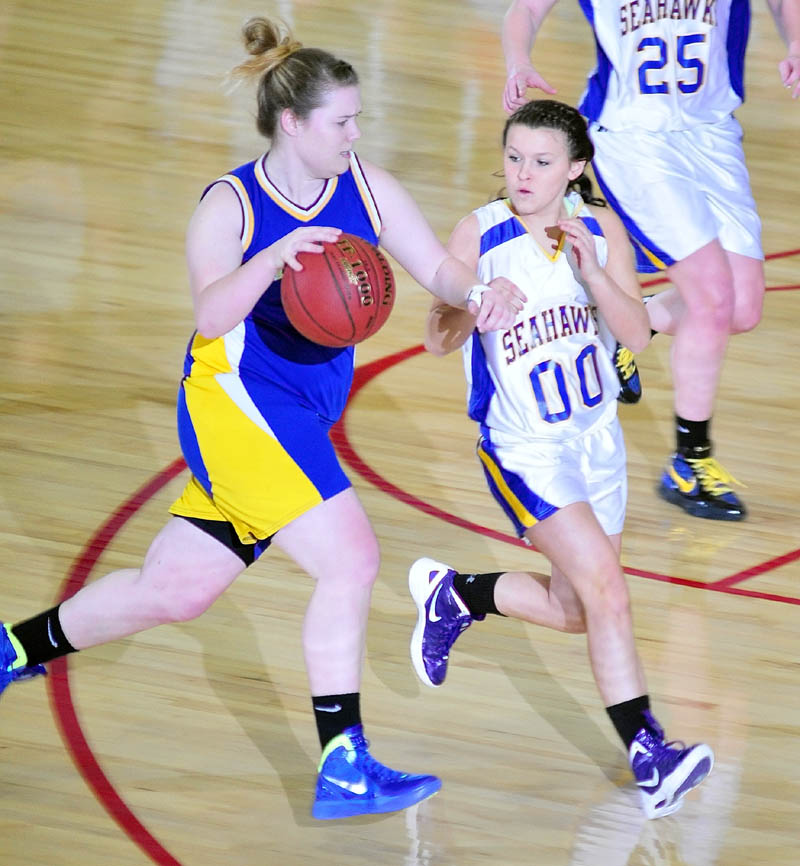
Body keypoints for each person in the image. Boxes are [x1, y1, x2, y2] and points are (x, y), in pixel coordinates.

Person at [0, 17, 525, 821]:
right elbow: (211, 315)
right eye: (341, 121)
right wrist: (273, 260)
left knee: (174, 589)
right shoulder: (230, 204)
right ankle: (343, 763)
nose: (356, 133)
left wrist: (480, 294)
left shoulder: (369, 186)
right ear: (292, 123)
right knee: (351, 559)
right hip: (237, 403)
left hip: (301, 411)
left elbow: (442, 272)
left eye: (357, 119)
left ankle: (13, 648)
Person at [410, 99, 714, 819]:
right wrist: (472, 302)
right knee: (609, 589)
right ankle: (650, 752)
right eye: (514, 157)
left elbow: (636, 333)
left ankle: (458, 596)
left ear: (576, 168)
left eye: (542, 163)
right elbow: (436, 337)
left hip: (596, 443)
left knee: (578, 609)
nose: (523, 174)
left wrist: (596, 274)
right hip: (525, 449)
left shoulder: (600, 227)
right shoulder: (479, 233)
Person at [501, 0, 800, 520]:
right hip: (634, 140)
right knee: (711, 296)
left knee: (742, 309)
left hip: (712, 135)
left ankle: (619, 331)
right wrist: (515, 59)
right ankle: (689, 463)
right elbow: (525, 8)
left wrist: (795, 39)